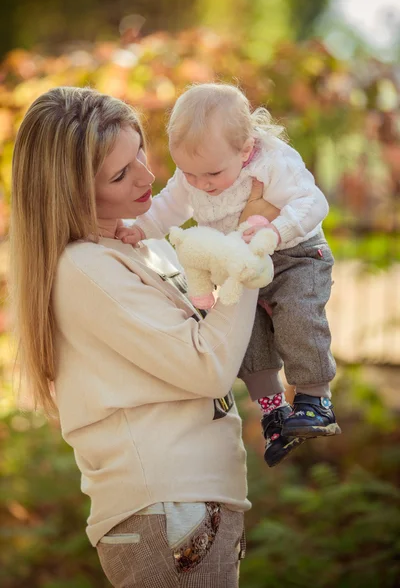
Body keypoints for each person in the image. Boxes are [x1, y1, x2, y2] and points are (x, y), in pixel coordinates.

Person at [10, 86, 279, 588]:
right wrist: (248, 256)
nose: (148, 176)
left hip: (190, 500)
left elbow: (218, 329)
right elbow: (208, 366)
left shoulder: (139, 247)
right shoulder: (85, 268)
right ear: (71, 194)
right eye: (120, 173)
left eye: (140, 152)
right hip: (166, 508)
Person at [117, 83, 341, 469]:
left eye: (212, 174)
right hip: (241, 264)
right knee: (244, 336)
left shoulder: (272, 162)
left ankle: (314, 399)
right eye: (189, 173)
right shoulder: (195, 174)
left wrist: (276, 231)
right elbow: (169, 205)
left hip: (295, 254)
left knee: (297, 315)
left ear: (246, 148)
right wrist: (141, 228)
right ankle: (274, 415)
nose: (201, 184)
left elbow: (312, 201)